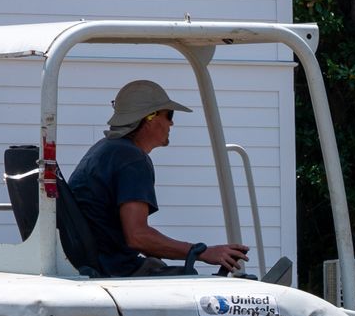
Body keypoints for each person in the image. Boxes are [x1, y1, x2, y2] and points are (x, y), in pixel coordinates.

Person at [64, 78, 248, 279]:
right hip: (114, 270)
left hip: (102, 263)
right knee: (196, 290)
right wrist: (202, 252)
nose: (172, 122)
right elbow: (137, 237)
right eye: (168, 115)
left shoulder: (106, 150)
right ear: (149, 117)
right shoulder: (132, 159)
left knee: (161, 266)